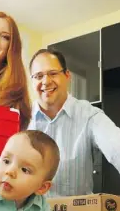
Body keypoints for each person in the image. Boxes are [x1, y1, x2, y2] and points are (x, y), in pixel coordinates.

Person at [28, 48, 120, 197]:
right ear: (32, 81)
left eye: (53, 73)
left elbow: (116, 146)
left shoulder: (90, 115)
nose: (45, 81)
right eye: (38, 76)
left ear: (67, 75)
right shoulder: (22, 118)